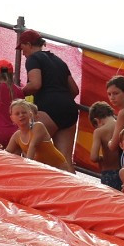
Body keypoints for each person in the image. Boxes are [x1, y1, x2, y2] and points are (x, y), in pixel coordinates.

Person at [18, 29, 78, 173]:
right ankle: (75, 193)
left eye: (22, 48)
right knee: (65, 160)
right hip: (69, 109)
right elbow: (75, 90)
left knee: (29, 149)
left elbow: (35, 84)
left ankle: (26, 182)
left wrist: (19, 92)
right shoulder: (59, 61)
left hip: (49, 108)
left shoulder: (33, 59)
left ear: (28, 44)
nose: (22, 53)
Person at [0, 99, 67, 170]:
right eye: (17, 114)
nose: (21, 115)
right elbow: (6, 153)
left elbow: (33, 146)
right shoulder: (16, 136)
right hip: (44, 170)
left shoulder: (38, 126)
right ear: (12, 118)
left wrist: (26, 168)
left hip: (60, 169)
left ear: (30, 114)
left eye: (24, 112)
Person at [88, 102, 122, 190]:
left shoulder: (99, 132)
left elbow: (93, 157)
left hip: (109, 173)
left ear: (96, 120)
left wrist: (101, 158)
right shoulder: (121, 125)